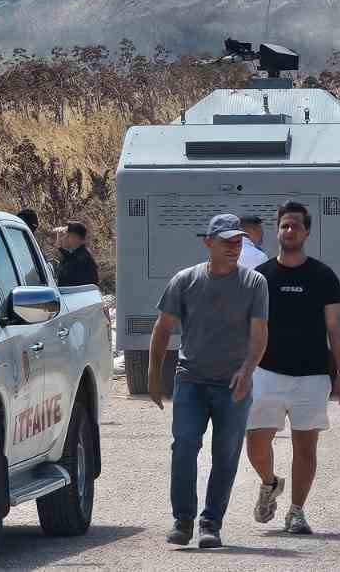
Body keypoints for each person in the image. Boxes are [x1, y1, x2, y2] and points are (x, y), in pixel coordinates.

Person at [148, 213, 270, 549]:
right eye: (227, 241)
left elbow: (260, 333)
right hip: (191, 380)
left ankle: (210, 523)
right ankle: (183, 519)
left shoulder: (254, 283)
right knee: (184, 446)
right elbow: (163, 328)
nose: (234, 247)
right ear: (208, 243)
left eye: (239, 241)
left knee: (226, 455)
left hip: (233, 384)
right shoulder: (185, 281)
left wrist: (247, 371)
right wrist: (153, 374)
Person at [245, 201, 340, 535]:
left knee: (305, 448)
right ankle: (269, 482)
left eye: (295, 226)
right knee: (255, 444)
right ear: (277, 231)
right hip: (266, 373)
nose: (289, 231)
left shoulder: (323, 276)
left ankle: (296, 511)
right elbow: (247, 328)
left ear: (306, 232)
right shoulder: (260, 277)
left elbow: (335, 329)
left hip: (312, 376)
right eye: (284, 226)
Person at [53, 222, 99, 287]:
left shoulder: (83, 260)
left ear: (76, 238)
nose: (64, 238)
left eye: (68, 235)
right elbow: (69, 256)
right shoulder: (78, 255)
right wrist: (59, 247)